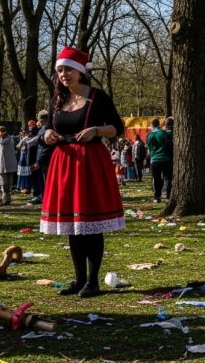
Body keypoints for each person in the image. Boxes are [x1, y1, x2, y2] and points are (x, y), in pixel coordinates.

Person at [40, 46, 126, 298]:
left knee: (91, 223)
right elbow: (46, 128)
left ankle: (93, 281)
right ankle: (78, 279)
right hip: (64, 162)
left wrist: (96, 130)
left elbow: (117, 127)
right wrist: (46, 134)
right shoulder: (57, 100)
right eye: (59, 70)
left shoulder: (97, 97)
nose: (63, 74)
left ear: (79, 72)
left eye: (67, 69)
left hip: (90, 162)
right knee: (72, 225)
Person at [0, 126, 18, 206]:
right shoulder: (11, 140)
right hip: (11, 164)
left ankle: (4, 199)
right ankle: (8, 199)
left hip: (1, 164)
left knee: (3, 183)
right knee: (9, 183)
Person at [147, 117, 173, 202]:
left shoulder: (149, 135)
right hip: (165, 158)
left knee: (156, 178)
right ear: (159, 124)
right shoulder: (164, 133)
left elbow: (149, 149)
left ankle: (157, 197)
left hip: (154, 159)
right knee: (167, 177)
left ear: (152, 125)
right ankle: (167, 195)